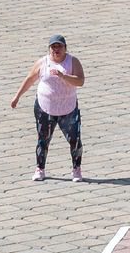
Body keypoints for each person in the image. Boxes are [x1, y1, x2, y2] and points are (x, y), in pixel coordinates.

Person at [9, 33, 86, 182]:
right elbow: (30, 79)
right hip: (45, 107)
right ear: (49, 49)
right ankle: (40, 169)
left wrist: (63, 76)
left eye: (59, 47)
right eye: (53, 47)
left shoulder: (73, 62)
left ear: (65, 48)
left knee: (75, 140)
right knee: (43, 139)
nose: (56, 50)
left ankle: (76, 170)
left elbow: (80, 81)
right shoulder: (42, 62)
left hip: (68, 108)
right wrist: (17, 97)